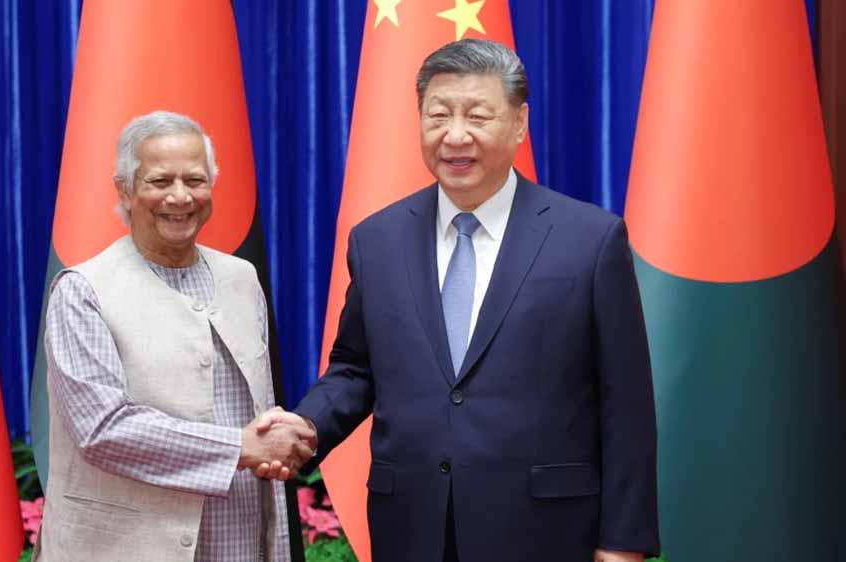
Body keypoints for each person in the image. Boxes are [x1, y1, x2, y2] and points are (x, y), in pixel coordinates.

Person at [260, 39, 659, 562]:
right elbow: (356, 368)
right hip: (413, 529)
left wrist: (623, 543)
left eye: (477, 116)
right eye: (439, 115)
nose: (455, 135)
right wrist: (307, 425)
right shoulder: (377, 240)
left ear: (519, 122)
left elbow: (626, 403)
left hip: (545, 531)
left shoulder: (589, 240)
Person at [35, 110, 315, 562]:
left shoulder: (241, 279)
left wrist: (287, 437)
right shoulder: (83, 290)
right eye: (160, 181)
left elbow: (259, 410)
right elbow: (102, 428)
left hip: (238, 538)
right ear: (125, 190)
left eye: (196, 180)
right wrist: (240, 447)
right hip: (129, 548)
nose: (181, 196)